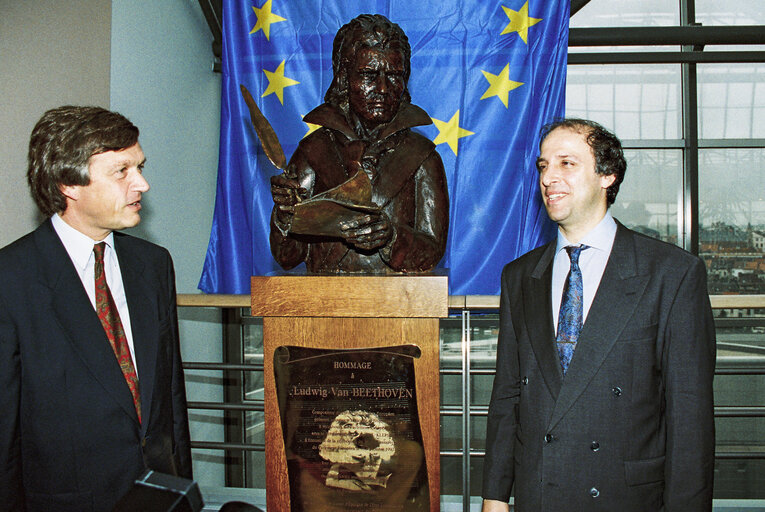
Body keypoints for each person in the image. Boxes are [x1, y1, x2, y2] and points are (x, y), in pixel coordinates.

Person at [482, 119, 716, 511]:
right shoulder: (520, 276)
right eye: (543, 166)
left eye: (566, 163)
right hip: (538, 495)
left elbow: (689, 420)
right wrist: (493, 495)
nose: (548, 177)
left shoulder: (671, 274)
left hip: (625, 497)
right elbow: (508, 397)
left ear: (607, 174)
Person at [0, 106, 192, 511]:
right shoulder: (11, 279)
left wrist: (181, 491)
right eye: (122, 171)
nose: (142, 183)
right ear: (68, 182)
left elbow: (170, 401)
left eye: (139, 166)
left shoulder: (153, 265)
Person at [269, 14, 449, 273]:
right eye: (368, 75)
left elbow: (432, 250)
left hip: (399, 304)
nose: (383, 89)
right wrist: (286, 215)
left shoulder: (422, 157)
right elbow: (287, 256)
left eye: (395, 76)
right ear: (344, 77)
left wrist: (392, 239)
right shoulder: (314, 151)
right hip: (323, 303)